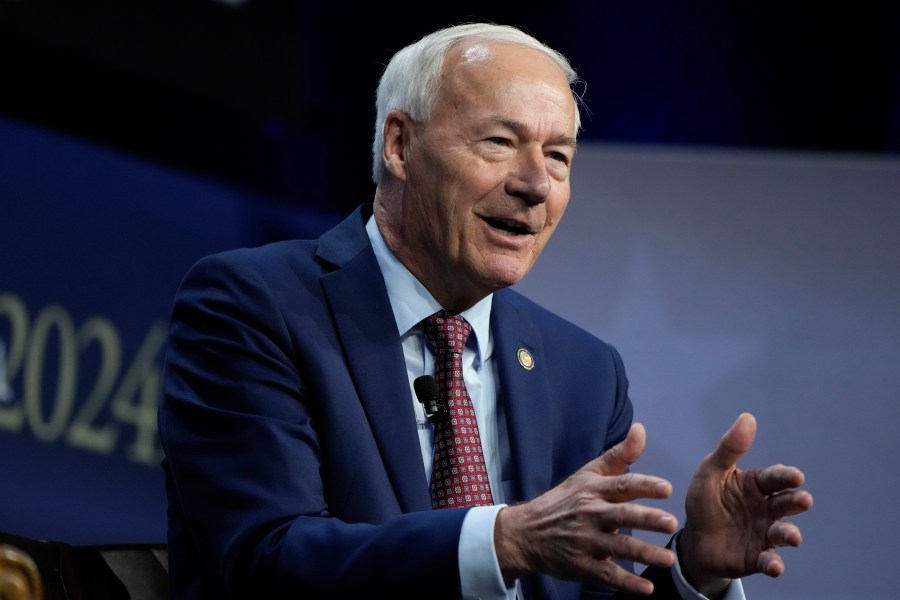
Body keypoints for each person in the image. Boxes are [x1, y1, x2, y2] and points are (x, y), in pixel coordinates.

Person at [158, 22, 813, 599]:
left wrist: (691, 568)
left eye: (558, 156)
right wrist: (503, 542)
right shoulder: (255, 306)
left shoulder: (583, 373)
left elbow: (600, 592)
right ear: (399, 146)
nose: (534, 184)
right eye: (501, 142)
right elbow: (261, 561)